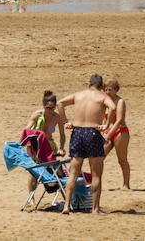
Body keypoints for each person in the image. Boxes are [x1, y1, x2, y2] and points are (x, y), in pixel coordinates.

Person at [58, 74, 114, 214]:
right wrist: (106, 125)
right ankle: (95, 208)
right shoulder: (102, 96)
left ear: (88, 84)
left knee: (73, 173)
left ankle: (66, 206)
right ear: (101, 86)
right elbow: (112, 108)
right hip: (93, 132)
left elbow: (59, 103)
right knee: (96, 174)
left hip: (77, 132)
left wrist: (66, 122)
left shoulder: (79, 94)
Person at [103, 78, 131, 190]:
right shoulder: (106, 101)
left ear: (116, 90)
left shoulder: (120, 102)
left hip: (120, 132)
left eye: (110, 89)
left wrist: (109, 134)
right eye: (105, 89)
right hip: (108, 131)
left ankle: (126, 184)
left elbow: (119, 120)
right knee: (99, 157)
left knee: (122, 159)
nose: (107, 92)